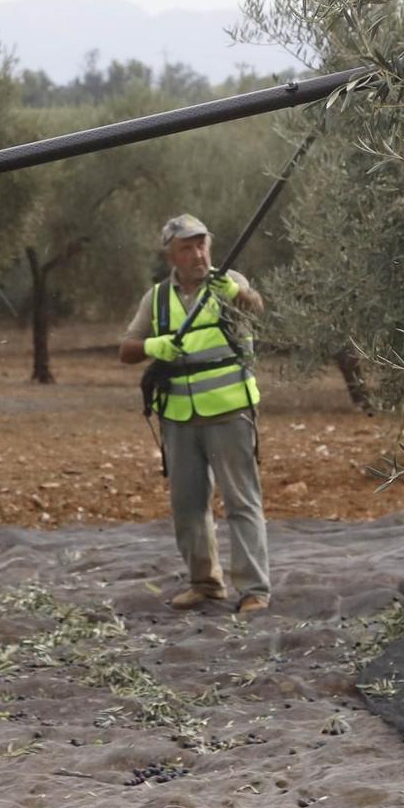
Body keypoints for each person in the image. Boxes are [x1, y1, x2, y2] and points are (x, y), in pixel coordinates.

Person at [118, 213, 270, 614]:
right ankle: (205, 583)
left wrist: (234, 292)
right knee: (187, 507)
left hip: (230, 411)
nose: (198, 253)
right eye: (187, 247)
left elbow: (256, 309)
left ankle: (254, 589)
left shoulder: (229, 283)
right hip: (179, 419)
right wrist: (156, 347)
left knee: (242, 502)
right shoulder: (156, 298)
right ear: (171, 255)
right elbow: (126, 350)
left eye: (201, 244)